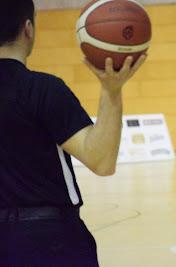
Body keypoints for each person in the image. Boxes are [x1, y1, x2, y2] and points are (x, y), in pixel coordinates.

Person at [0, 0, 146, 266]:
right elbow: (101, 161)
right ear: (28, 29)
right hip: (48, 241)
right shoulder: (43, 90)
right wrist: (111, 91)